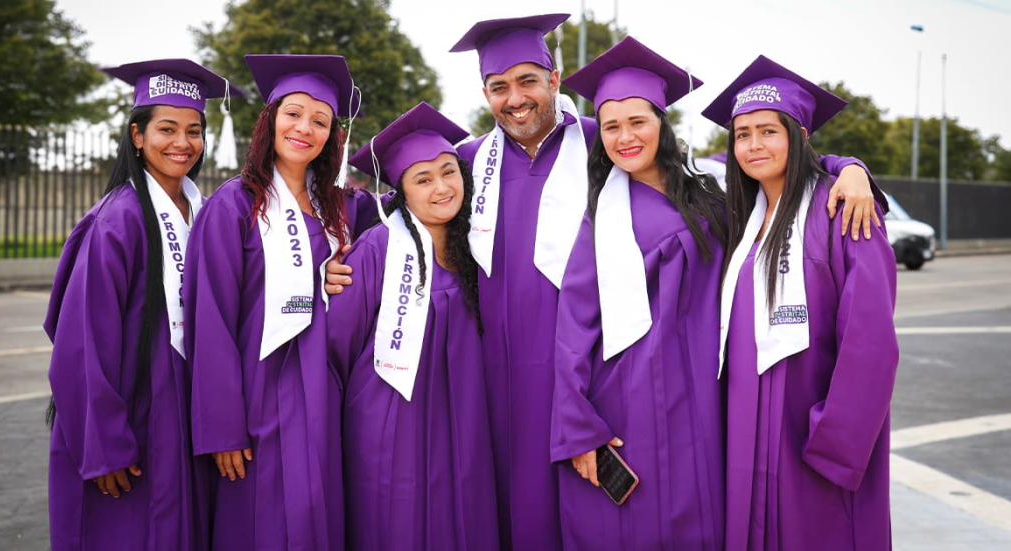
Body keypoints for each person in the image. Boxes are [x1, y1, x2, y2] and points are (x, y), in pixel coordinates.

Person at [328, 14, 882, 550]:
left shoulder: (603, 145)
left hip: (595, 375)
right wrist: (339, 251)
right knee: (498, 509)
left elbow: (759, 165)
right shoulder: (468, 164)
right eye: (499, 86)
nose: (515, 97)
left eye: (527, 80)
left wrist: (847, 166)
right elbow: (408, 206)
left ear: (555, 79)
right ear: (485, 92)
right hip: (493, 381)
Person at [702, 55, 899, 551]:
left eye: (768, 131)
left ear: (801, 135)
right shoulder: (741, 219)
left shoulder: (844, 210)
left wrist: (833, 438)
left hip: (811, 430)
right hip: (746, 422)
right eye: (742, 134)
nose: (753, 145)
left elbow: (871, 339)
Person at [182, 54, 375, 550]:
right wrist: (222, 428)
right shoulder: (231, 206)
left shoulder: (347, 207)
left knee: (319, 512)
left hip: (326, 392)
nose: (304, 128)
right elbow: (211, 321)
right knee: (260, 522)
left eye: (320, 120)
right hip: (257, 396)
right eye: (294, 112)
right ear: (270, 118)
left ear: (333, 134)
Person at [43, 59, 234, 550]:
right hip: (133, 415)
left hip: (185, 408)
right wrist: (103, 444)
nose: (182, 143)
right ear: (136, 135)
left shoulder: (206, 212)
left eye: (194, 130)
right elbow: (82, 341)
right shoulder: (116, 221)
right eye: (166, 129)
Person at [550, 37, 727, 549]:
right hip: (629, 399)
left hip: (705, 392)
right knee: (636, 525)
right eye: (611, 126)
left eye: (638, 121)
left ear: (661, 124)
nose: (625, 136)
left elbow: (783, 170)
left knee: (702, 516)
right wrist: (579, 426)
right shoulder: (599, 220)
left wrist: (848, 166)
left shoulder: (711, 194)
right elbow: (573, 327)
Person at [330, 101, 499, 551]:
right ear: (401, 192)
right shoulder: (377, 250)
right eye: (423, 179)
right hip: (390, 427)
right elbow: (336, 348)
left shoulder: (479, 250)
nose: (442, 187)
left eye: (449, 172)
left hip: (463, 425)